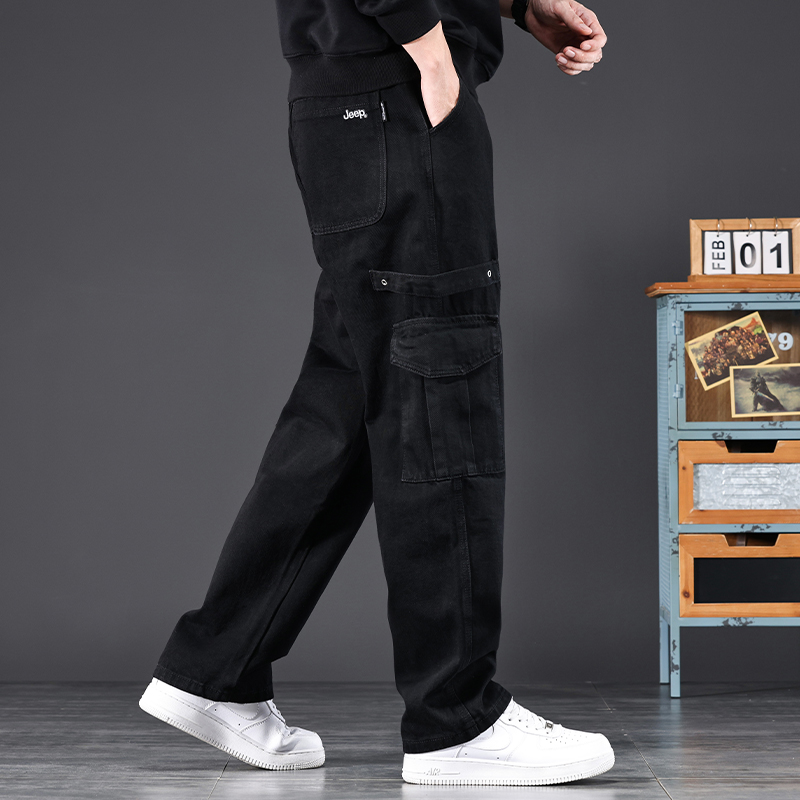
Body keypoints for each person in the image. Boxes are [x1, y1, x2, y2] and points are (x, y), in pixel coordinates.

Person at [138, 0, 613, 786]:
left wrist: (519, 7)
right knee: (440, 393)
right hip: (398, 92)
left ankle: (216, 668)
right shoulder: (414, 59)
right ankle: (456, 720)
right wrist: (428, 45)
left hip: (359, 101)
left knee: (351, 405)